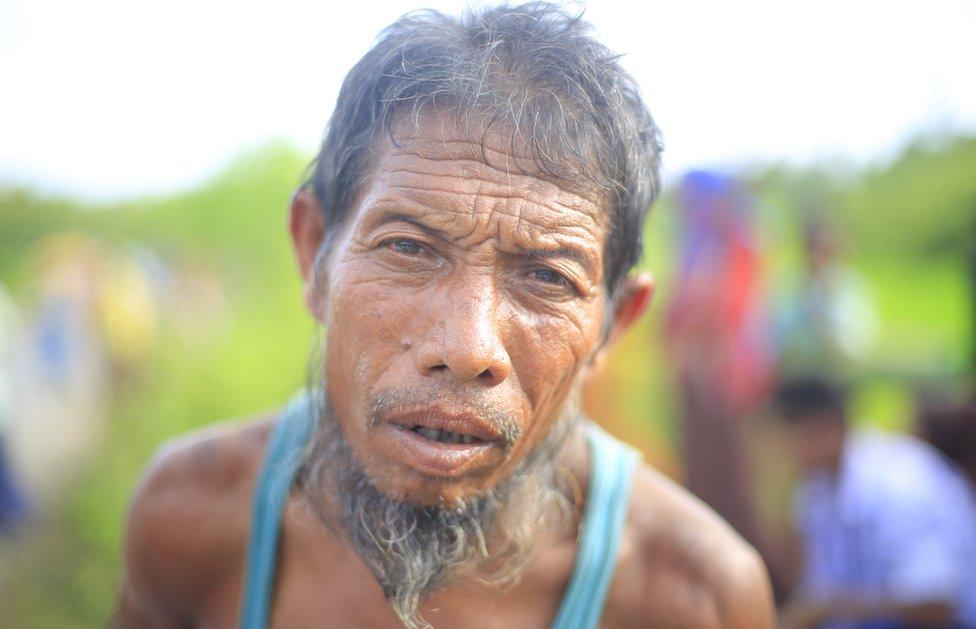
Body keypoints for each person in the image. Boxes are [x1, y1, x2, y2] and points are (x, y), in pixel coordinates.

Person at [113, 4, 774, 628]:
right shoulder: (190, 518)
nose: (467, 345)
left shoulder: (694, 598)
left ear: (613, 324)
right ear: (315, 252)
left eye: (547, 276)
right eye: (407, 247)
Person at [776, 378, 976, 629]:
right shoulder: (815, 490)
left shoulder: (899, 482)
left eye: (788, 438)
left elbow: (938, 603)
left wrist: (831, 607)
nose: (783, 454)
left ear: (828, 429)